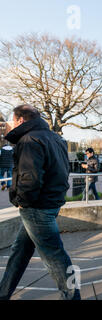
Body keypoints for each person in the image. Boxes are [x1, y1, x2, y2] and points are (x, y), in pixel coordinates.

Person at [0, 104, 80, 300]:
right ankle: (3, 293)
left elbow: (30, 178)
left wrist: (21, 200)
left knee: (54, 256)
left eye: (12, 120)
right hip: (51, 203)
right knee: (20, 251)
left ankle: (72, 297)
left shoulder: (28, 140)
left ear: (20, 120)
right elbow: (63, 172)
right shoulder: (55, 138)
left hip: (36, 207)